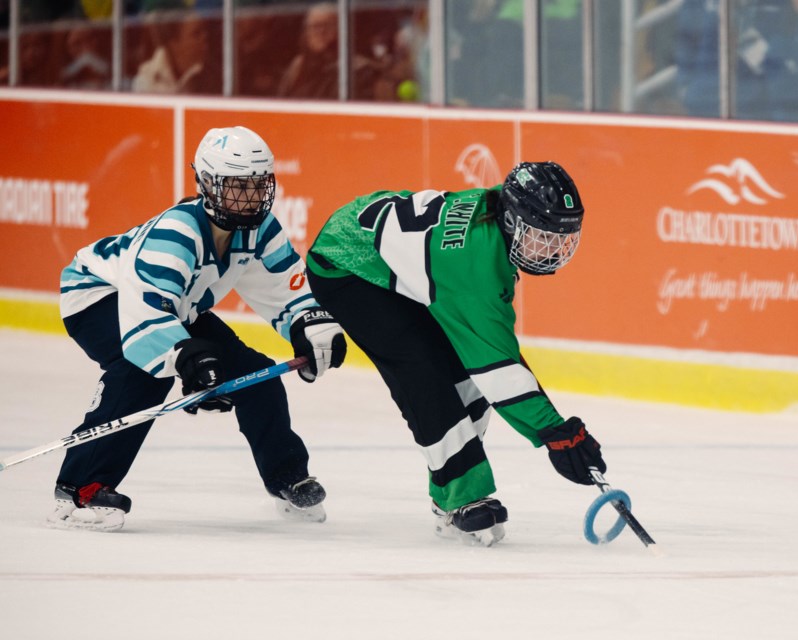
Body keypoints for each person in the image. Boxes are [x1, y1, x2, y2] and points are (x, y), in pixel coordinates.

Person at [49, 126, 347, 532]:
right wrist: (190, 359)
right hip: (99, 297)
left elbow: (284, 287)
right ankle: (78, 490)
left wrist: (309, 324)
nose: (250, 197)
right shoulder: (176, 233)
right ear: (206, 183)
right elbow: (146, 316)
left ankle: (286, 478)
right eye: (237, 186)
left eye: (259, 185)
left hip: (175, 308)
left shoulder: (260, 229)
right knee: (143, 373)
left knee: (253, 375)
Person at [303, 161, 607, 547]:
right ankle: (462, 496)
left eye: (560, 236)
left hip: (396, 262)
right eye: (541, 236)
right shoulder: (474, 262)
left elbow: (493, 359)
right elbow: (497, 366)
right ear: (513, 222)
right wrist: (555, 434)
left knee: (465, 374)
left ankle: (451, 487)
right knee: (424, 374)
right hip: (349, 266)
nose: (551, 249)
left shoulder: (501, 213)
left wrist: (555, 432)